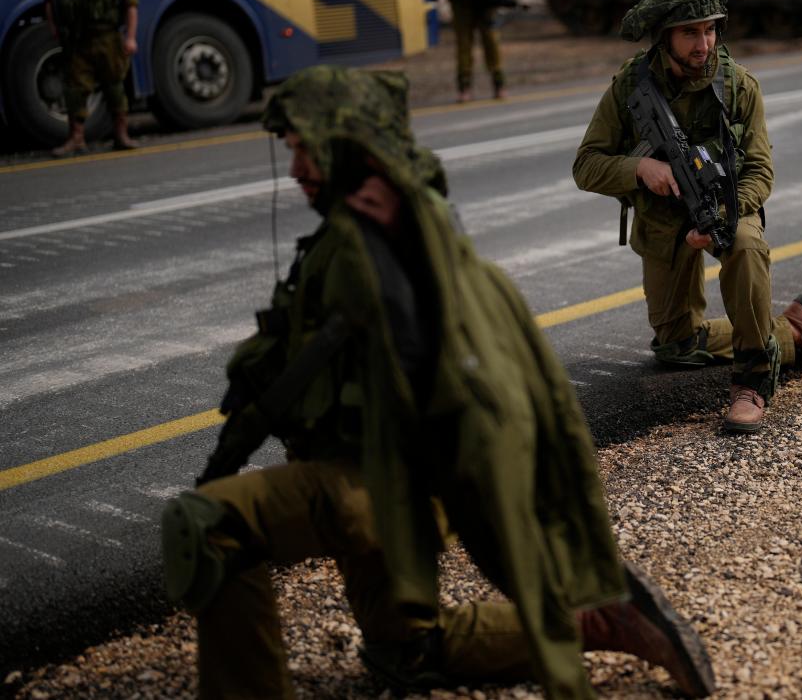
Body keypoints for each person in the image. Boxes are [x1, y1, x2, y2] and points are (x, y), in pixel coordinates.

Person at [159, 65, 715, 700]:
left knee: (206, 524)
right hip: (364, 464)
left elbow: (455, 375)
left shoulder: (384, 239)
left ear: (350, 145)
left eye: (306, 148)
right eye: (291, 150)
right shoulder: (395, 220)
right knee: (405, 654)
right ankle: (593, 619)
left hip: (387, 485)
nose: (296, 169)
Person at [572, 0, 802, 434]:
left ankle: (751, 383)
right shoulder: (629, 88)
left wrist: (724, 215)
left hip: (726, 207)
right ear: (665, 37)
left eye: (709, 30)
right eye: (689, 33)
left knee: (744, 245)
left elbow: (761, 170)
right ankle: (791, 330)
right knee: (675, 348)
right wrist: (640, 168)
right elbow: (586, 165)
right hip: (663, 222)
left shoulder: (738, 85)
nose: (702, 44)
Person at [44, 0, 139, 157]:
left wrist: (130, 37)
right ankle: (76, 139)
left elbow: (130, 4)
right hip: (79, 41)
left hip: (107, 39)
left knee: (114, 87)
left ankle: (121, 135)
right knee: (75, 89)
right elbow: (51, 1)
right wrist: (54, 27)